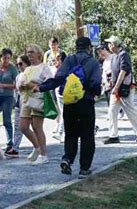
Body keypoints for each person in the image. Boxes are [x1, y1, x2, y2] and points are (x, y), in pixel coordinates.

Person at [35, 37, 102, 178]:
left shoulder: (69, 60)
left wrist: (41, 87)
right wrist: (96, 94)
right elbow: (96, 84)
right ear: (89, 48)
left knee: (70, 134)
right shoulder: (93, 62)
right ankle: (84, 168)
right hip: (86, 103)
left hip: (69, 103)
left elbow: (58, 79)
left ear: (76, 47)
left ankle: (67, 159)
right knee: (87, 136)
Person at [103, 36, 137, 144]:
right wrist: (110, 85)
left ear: (114, 44)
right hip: (115, 89)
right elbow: (112, 72)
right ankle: (114, 136)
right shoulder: (113, 57)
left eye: (109, 44)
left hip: (125, 88)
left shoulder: (124, 55)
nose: (108, 46)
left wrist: (116, 87)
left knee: (129, 110)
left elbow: (123, 71)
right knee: (112, 112)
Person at [17, 44, 52, 165]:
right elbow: (21, 85)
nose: (29, 54)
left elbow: (49, 83)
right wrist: (22, 86)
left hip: (38, 99)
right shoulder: (27, 69)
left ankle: (43, 154)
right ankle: (37, 147)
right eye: (28, 52)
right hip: (26, 99)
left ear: (38, 53)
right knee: (23, 126)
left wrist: (34, 85)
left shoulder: (44, 68)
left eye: (31, 52)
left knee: (37, 127)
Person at [5, 55, 31, 158]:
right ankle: (15, 148)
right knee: (17, 126)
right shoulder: (18, 76)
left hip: (29, 103)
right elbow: (16, 89)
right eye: (17, 64)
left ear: (27, 63)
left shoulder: (31, 74)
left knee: (32, 126)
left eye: (21, 64)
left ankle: (39, 146)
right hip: (19, 103)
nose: (19, 66)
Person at [51, 52, 68, 142]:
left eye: (58, 59)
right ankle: (62, 133)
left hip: (65, 93)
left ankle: (61, 133)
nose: (56, 61)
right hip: (59, 93)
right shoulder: (59, 68)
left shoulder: (64, 69)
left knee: (65, 113)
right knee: (64, 113)